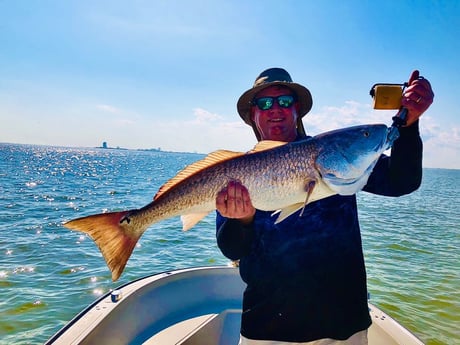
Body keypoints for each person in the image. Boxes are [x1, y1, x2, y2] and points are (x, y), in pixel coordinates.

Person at [215, 68, 434, 345]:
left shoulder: (337, 155)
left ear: (297, 110)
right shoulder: (236, 173)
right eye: (264, 103)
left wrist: (410, 124)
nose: (275, 109)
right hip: (267, 325)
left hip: (343, 323)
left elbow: (402, 181)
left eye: (284, 101)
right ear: (253, 115)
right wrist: (242, 220)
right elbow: (232, 249)